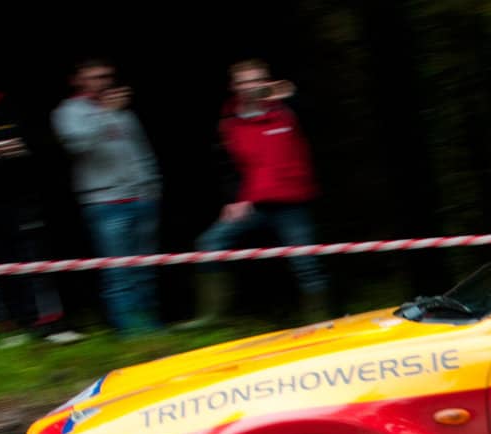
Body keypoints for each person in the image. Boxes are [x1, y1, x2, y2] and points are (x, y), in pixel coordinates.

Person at [184, 58, 327, 327]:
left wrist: (292, 95)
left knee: (306, 263)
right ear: (234, 86)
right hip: (252, 203)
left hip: (292, 201)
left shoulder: (287, 110)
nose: (251, 86)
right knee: (209, 244)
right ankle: (212, 317)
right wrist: (233, 200)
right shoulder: (228, 122)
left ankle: (320, 320)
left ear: (266, 81)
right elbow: (226, 167)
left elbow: (318, 117)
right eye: (244, 81)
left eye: (256, 80)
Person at [0, 57, 83, 347]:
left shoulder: (8, 107)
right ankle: (8, 327)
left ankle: (50, 322)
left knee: (34, 261)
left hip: (18, 197)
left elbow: (43, 142)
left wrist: (19, 147)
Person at [51, 57, 164, 335]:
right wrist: (105, 113)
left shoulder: (122, 109)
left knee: (146, 269)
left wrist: (152, 186)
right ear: (78, 80)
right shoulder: (68, 112)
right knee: (119, 273)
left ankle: (151, 329)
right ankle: (131, 332)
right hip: (105, 203)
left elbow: (141, 149)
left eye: (107, 76)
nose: (103, 82)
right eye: (96, 76)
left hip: (142, 197)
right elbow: (79, 146)